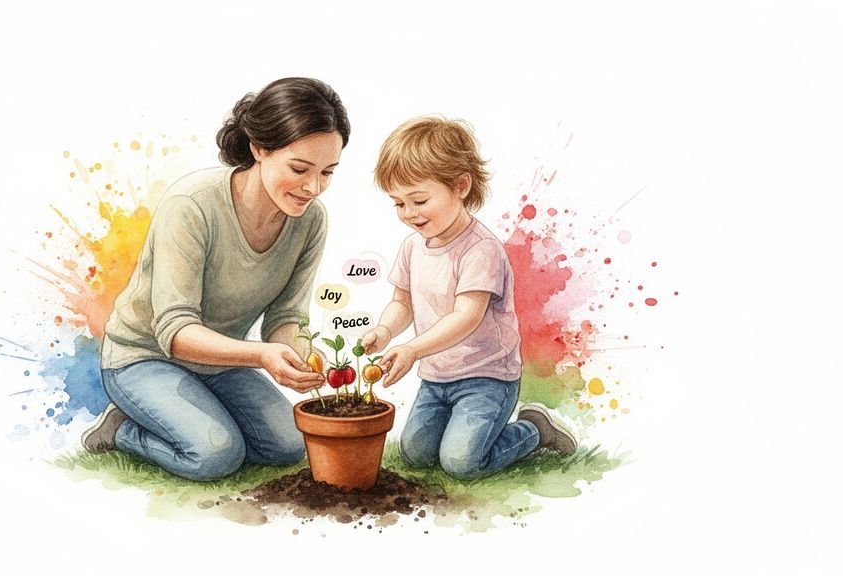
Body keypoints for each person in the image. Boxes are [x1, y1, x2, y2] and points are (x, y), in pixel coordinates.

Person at [81, 78, 350, 481]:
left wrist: (302, 357)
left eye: (327, 172)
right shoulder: (191, 206)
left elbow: (286, 317)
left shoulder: (310, 221)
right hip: (144, 357)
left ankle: (196, 412)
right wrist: (261, 356)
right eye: (299, 169)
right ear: (259, 149)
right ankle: (120, 430)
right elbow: (175, 332)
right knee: (214, 455)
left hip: (219, 363)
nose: (313, 188)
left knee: (290, 444)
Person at [362, 116, 577, 480]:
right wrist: (384, 331)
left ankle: (534, 430)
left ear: (460, 186)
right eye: (398, 203)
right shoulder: (413, 247)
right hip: (436, 378)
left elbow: (467, 316)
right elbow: (402, 303)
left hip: (487, 376)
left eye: (419, 199)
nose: (409, 214)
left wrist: (413, 349)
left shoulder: (481, 250)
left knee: (462, 464)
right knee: (415, 454)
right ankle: (468, 432)